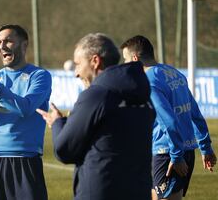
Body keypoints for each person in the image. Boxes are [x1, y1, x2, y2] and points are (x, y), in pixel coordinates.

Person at [36, 33, 156, 200]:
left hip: (101, 191)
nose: (76, 73)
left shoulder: (96, 95)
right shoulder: (141, 93)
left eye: (78, 64)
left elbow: (64, 150)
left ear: (95, 61)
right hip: (138, 191)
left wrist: (57, 123)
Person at [120, 35, 217, 200]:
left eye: (126, 60)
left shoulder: (149, 81)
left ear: (135, 59)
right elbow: (195, 113)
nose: (125, 65)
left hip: (167, 153)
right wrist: (205, 147)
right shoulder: (174, 73)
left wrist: (176, 156)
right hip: (184, 151)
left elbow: (169, 121)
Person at [0, 24, 51, 200]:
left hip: (25, 158)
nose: (2, 46)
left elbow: (26, 108)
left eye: (8, 41)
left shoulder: (39, 76)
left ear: (24, 45)